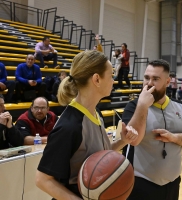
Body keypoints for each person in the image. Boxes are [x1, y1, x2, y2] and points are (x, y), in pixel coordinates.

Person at [35, 50, 139, 199]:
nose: (113, 80)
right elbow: (42, 179)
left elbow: (98, 155)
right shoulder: (69, 126)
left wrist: (123, 141)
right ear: (96, 79)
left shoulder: (95, 113)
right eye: (111, 75)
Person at [122, 59, 182, 200]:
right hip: (140, 184)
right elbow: (133, 140)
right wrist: (142, 105)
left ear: (167, 82)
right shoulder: (133, 107)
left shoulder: (180, 107)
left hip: (172, 183)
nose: (149, 83)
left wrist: (175, 138)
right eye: (146, 78)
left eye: (155, 79)